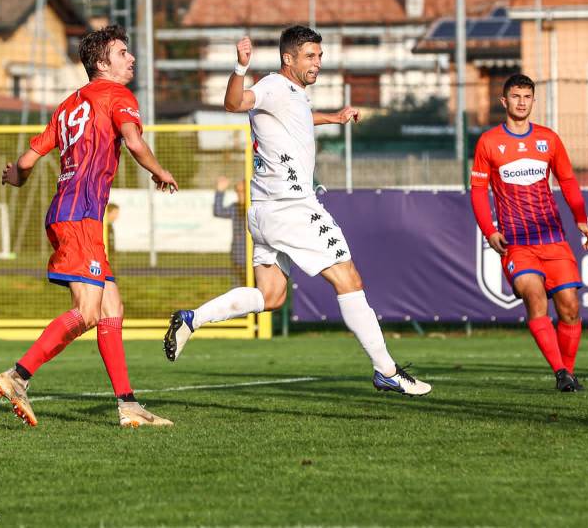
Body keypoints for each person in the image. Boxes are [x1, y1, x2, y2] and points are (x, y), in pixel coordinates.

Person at [164, 26, 431, 396]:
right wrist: (240, 70)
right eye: (309, 56)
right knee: (348, 279)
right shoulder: (273, 85)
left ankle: (194, 318)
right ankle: (386, 370)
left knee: (271, 296)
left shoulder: (294, 94)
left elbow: (298, 117)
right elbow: (235, 104)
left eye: (319, 56)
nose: (317, 63)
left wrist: (334, 118)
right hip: (292, 207)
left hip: (264, 212)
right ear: (288, 58)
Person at [0, 24, 179, 427]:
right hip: (80, 218)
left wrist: (15, 178)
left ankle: (128, 405)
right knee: (88, 311)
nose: (131, 58)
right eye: (123, 52)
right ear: (101, 62)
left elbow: (25, 163)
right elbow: (133, 142)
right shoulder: (117, 96)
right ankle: (17, 376)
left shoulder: (67, 106)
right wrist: (160, 171)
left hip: (69, 214)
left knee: (112, 308)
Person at [470, 74, 588, 392]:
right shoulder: (488, 142)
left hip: (552, 239)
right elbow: (478, 191)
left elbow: (567, 181)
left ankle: (568, 373)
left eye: (527, 96)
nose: (521, 102)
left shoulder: (549, 139)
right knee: (534, 297)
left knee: (570, 306)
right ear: (504, 101)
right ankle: (560, 373)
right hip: (517, 244)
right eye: (515, 96)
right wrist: (489, 230)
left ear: (533, 101)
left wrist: (580, 217)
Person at [213, 176, 247, 275]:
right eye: (237, 191)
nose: (239, 194)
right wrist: (220, 191)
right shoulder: (235, 208)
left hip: (254, 261)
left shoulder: (256, 209)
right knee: (237, 289)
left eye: (243, 191)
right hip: (237, 259)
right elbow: (218, 211)